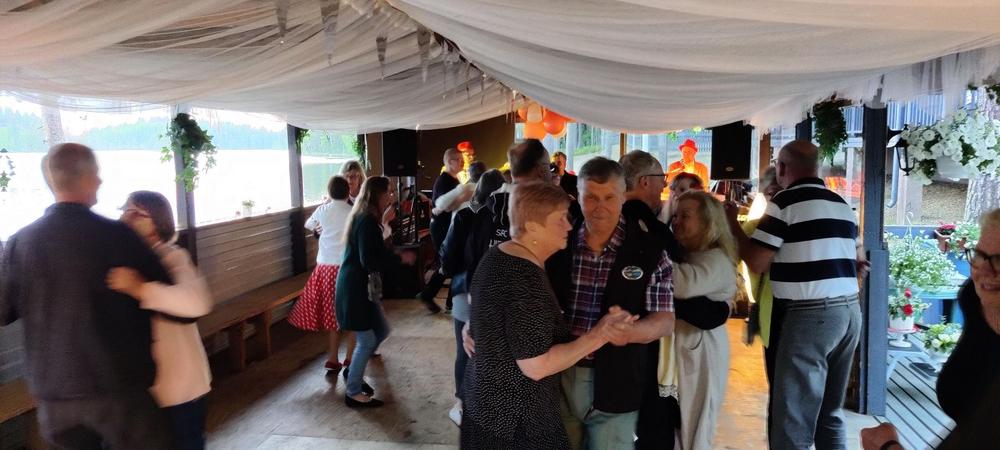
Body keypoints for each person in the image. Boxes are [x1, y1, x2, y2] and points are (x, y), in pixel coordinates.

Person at [0, 143, 173, 448]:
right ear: (89, 178)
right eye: (98, 174)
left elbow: (3, 312)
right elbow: (167, 296)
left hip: (54, 397)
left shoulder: (19, 243)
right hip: (118, 389)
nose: (101, 181)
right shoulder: (119, 236)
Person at [460, 181, 636, 449]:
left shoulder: (498, 254)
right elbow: (536, 366)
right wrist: (600, 334)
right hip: (517, 422)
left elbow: (478, 301)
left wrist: (476, 326)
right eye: (560, 219)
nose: (569, 226)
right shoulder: (525, 278)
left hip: (485, 408)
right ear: (532, 227)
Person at [726, 140, 862, 450]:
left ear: (783, 167)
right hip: (849, 312)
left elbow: (757, 261)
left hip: (810, 315)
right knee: (829, 413)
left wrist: (733, 225)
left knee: (792, 420)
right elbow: (858, 263)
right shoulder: (841, 203)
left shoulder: (785, 203)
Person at [546, 157, 676, 450]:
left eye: (609, 197)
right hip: (558, 373)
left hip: (618, 379)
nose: (600, 206)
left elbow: (665, 320)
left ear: (623, 196)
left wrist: (630, 332)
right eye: (591, 197)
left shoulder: (649, 250)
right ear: (577, 196)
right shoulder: (556, 243)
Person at [860, 208, 1000, 450]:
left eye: (999, 260)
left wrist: (887, 446)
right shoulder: (976, 303)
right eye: (979, 255)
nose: (984, 271)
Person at [106, 190, 213, 450]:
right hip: (140, 392)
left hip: (180, 390)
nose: (127, 218)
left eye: (137, 213)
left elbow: (197, 302)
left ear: (159, 223)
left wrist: (140, 289)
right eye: (125, 210)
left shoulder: (172, 257)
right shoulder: (121, 261)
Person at [657, 191, 737, 450]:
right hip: (687, 348)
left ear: (708, 222)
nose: (677, 221)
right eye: (675, 215)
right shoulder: (690, 255)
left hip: (702, 352)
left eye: (685, 216)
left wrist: (648, 256)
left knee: (696, 426)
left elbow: (680, 284)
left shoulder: (716, 259)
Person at [335, 176, 416, 407]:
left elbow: (374, 251)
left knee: (381, 330)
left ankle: (353, 371)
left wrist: (395, 251)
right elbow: (369, 260)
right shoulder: (366, 221)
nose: (392, 196)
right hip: (355, 288)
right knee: (368, 340)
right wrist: (399, 258)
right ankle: (353, 392)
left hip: (361, 286)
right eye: (388, 192)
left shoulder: (369, 218)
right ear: (378, 195)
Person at [439, 169, 506, 426]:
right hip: (497, 293)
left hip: (465, 288)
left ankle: (462, 404)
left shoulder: (465, 215)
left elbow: (448, 257)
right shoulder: (507, 219)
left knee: (464, 349)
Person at [288, 176, 357, 372]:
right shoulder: (353, 212)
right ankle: (350, 358)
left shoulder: (323, 210)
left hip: (325, 268)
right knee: (352, 315)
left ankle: (332, 358)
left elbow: (308, 224)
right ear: (347, 192)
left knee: (332, 316)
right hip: (347, 268)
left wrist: (318, 227)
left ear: (329, 192)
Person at [417, 148, 465, 314]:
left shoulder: (454, 180)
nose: (462, 162)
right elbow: (442, 206)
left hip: (449, 227)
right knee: (448, 262)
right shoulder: (443, 181)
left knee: (450, 263)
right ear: (449, 162)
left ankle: (445, 301)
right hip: (441, 228)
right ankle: (434, 297)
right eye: (459, 159)